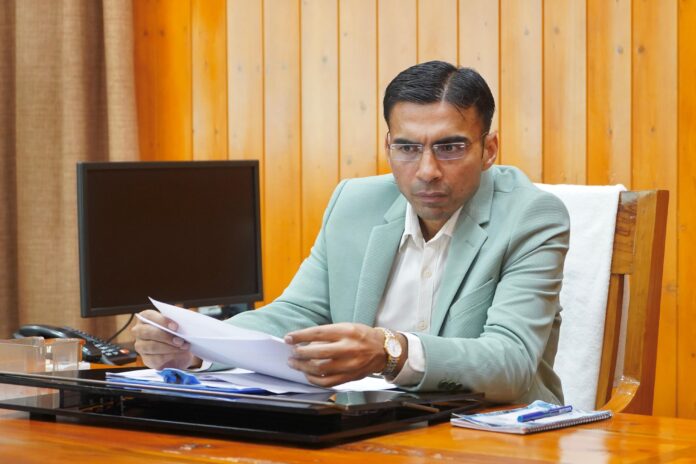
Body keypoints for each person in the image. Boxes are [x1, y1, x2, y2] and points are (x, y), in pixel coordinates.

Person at [132, 61, 570, 404]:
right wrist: (196, 346)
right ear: (388, 146)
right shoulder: (353, 203)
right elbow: (297, 313)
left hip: (491, 431)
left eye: (450, 147)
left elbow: (511, 362)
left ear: (489, 149)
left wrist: (390, 351)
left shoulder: (532, 216)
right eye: (407, 147)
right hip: (368, 424)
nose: (427, 170)